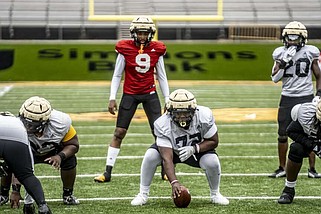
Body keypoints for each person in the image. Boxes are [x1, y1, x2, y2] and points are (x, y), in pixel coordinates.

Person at [94, 16, 170, 183]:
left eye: (145, 33)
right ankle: (107, 172)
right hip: (130, 94)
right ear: (133, 33)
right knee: (119, 132)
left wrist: (168, 99)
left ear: (151, 34)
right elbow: (117, 74)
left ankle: (166, 169)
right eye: (139, 33)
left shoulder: (157, 49)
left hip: (150, 94)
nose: (142, 36)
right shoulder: (124, 48)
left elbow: (162, 77)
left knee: (159, 133)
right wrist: (112, 97)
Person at [130, 89, 229, 206]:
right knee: (150, 156)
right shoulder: (162, 124)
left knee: (212, 162)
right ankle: (143, 194)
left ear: (193, 110)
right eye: (178, 113)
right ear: (170, 111)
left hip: (197, 151)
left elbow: (213, 141)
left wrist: (194, 148)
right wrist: (174, 182)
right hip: (172, 150)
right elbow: (167, 158)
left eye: (186, 112)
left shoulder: (204, 115)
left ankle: (215, 194)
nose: (182, 116)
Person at [0, 96, 80, 213]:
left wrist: (60, 156)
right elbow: (19, 166)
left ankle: (68, 194)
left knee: (70, 159)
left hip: (53, 150)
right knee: (9, 161)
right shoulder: (17, 127)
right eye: (25, 121)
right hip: (28, 150)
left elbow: (74, 144)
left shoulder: (60, 123)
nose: (27, 126)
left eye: (32, 124)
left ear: (45, 121)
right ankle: (3, 193)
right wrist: (16, 191)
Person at [269, 21, 321, 178]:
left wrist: (318, 94)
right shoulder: (279, 52)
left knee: (311, 132)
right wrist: (284, 61)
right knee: (282, 133)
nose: (292, 41)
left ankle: (312, 169)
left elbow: (318, 75)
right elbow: (274, 78)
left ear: (303, 38)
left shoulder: (311, 51)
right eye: (289, 38)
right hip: (287, 96)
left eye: (296, 38)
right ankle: (282, 167)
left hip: (306, 96)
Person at [0, 111, 51, 214]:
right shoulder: (18, 123)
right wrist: (28, 203)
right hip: (18, 135)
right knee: (27, 176)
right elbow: (29, 171)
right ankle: (43, 206)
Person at [278, 100, 321, 204]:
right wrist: (314, 146)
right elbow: (291, 131)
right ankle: (289, 189)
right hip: (311, 138)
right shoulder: (306, 114)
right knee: (296, 148)